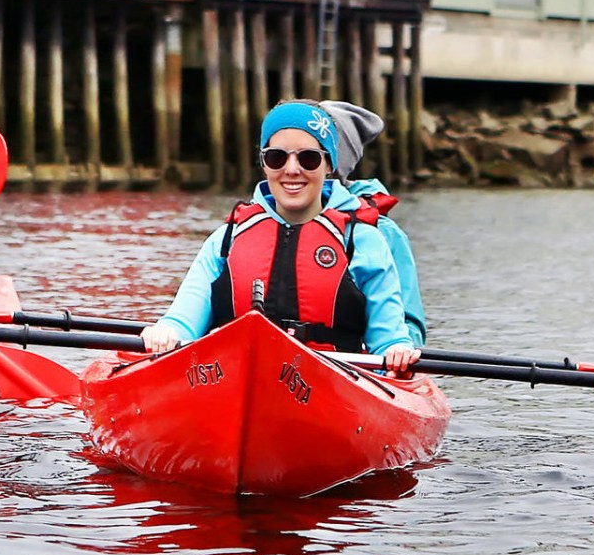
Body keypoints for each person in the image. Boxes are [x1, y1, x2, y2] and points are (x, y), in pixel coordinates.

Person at [142, 99, 421, 373]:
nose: (291, 170)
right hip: (231, 372)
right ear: (264, 164)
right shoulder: (226, 238)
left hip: (332, 379)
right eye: (276, 157)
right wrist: (167, 331)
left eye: (309, 158)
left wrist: (396, 352)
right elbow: (184, 319)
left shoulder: (364, 240)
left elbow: (389, 338)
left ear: (329, 166)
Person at [321, 99, 427, 349]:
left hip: (357, 362)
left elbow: (409, 322)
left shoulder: (382, 233)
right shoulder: (265, 222)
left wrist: (396, 352)